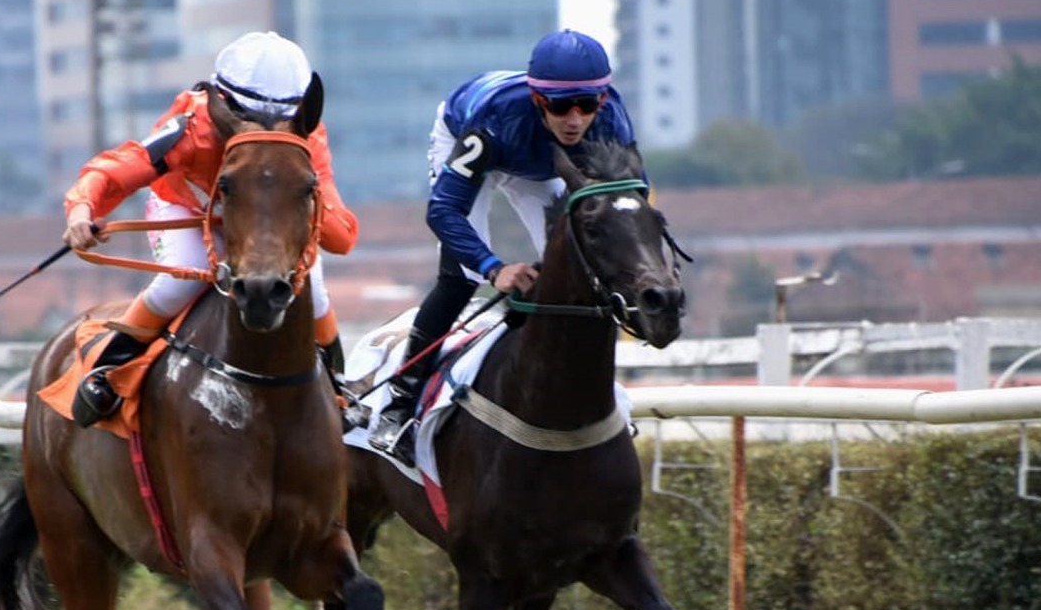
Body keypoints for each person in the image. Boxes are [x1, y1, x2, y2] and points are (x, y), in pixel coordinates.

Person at [368, 29, 641, 464]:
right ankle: (400, 400)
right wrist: (495, 269)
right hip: (478, 140)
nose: (574, 119)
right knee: (461, 277)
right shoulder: (495, 122)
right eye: (559, 107)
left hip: (538, 165)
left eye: (586, 105)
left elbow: (629, 201)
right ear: (538, 100)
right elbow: (443, 212)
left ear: (602, 102)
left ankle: (600, 394)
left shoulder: (612, 121)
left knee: (584, 269)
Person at [62, 31, 359, 427]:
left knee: (314, 287)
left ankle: (338, 387)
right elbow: (119, 168)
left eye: (281, 121)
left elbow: (341, 236)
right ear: (223, 106)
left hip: (264, 218)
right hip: (187, 206)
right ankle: (109, 370)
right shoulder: (191, 127)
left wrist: (314, 209)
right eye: (250, 121)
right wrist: (82, 208)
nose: (268, 130)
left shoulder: (306, 135)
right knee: (180, 279)